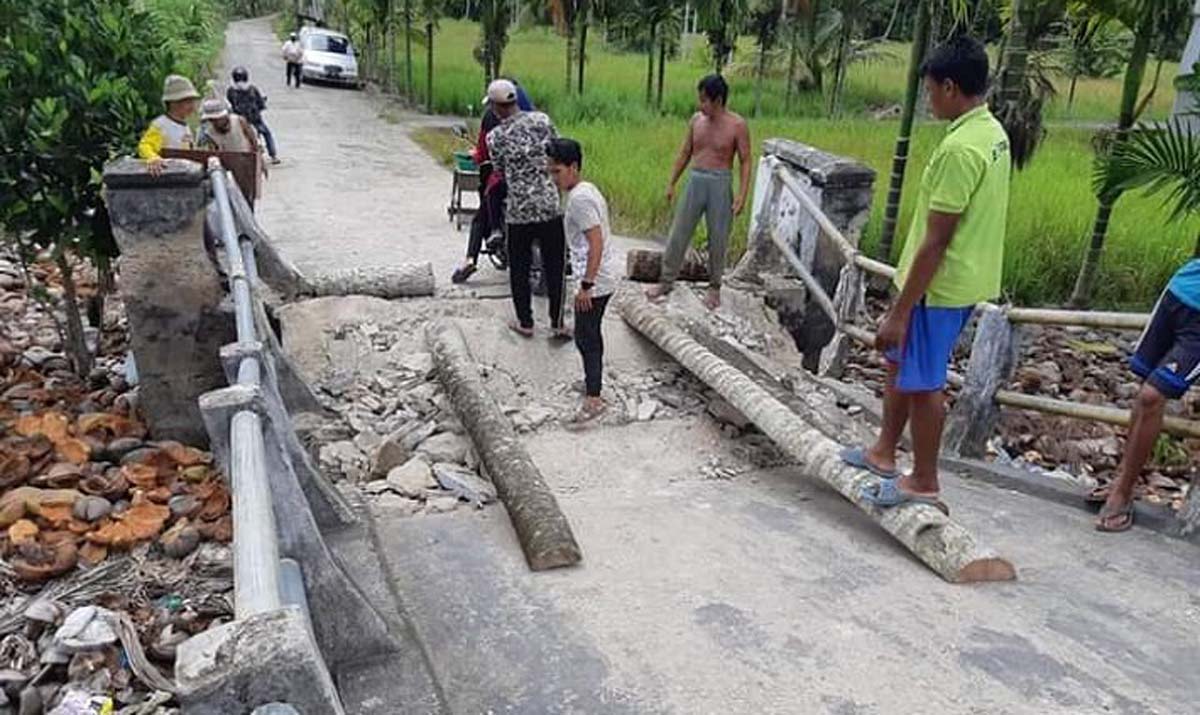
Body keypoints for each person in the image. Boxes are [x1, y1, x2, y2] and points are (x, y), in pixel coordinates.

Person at [839, 36, 1011, 511]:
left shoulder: (961, 150)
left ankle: (925, 479)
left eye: (932, 90)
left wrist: (899, 309)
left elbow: (937, 241)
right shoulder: (991, 134)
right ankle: (882, 450)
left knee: (923, 381)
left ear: (951, 87)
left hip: (939, 286)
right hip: (960, 278)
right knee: (900, 364)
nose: (930, 100)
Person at [1093, 261, 1200, 531]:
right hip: (1180, 290)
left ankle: (1124, 491)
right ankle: (1122, 480)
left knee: (1151, 396)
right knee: (1143, 389)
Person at [646, 74, 751, 310]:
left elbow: (745, 161)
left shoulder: (737, 125)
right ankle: (666, 281)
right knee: (678, 233)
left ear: (719, 100)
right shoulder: (696, 121)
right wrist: (672, 182)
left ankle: (715, 287)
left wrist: (742, 195)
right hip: (696, 178)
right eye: (700, 100)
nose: (700, 105)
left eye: (705, 100)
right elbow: (684, 153)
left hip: (720, 182)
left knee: (718, 238)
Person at [485, 79, 568, 338]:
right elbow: (556, 150)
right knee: (555, 266)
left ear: (497, 108)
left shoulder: (495, 137)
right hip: (549, 206)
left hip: (519, 211)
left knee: (519, 268)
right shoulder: (542, 121)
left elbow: (498, 170)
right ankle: (557, 323)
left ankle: (526, 322)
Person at [548, 138, 622, 426]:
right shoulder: (585, 189)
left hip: (595, 280)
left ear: (573, 167)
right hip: (598, 276)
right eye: (551, 172)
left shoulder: (579, 200)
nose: (553, 178)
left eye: (557, 171)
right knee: (588, 335)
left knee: (586, 337)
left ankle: (594, 398)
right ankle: (593, 384)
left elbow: (596, 242)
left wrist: (587, 285)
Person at [138, 75, 201, 176]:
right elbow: (145, 145)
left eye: (192, 101)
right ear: (174, 103)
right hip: (168, 178)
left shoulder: (185, 127)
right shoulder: (161, 126)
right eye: (188, 101)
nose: (192, 106)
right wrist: (152, 158)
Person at [227, 66, 280, 164]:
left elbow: (230, 102)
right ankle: (273, 156)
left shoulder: (231, 90)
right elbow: (260, 102)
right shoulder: (252, 89)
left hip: (239, 120)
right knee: (267, 134)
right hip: (255, 119)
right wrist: (261, 107)